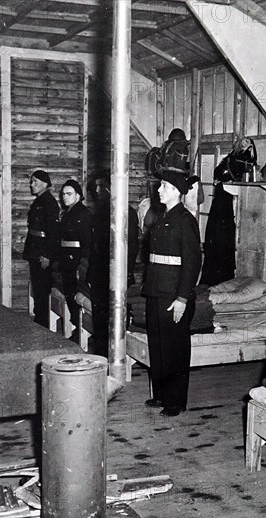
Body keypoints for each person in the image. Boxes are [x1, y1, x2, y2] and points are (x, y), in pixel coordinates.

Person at [142, 171, 202, 417]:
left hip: (173, 293)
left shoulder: (185, 220)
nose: (159, 190)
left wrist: (182, 299)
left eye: (164, 186)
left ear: (177, 191)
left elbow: (192, 262)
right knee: (157, 345)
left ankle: (175, 401)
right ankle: (161, 395)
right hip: (156, 289)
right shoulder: (161, 217)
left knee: (174, 348)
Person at [86, 177, 139, 356]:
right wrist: (91, 276)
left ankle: (116, 357)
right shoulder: (100, 213)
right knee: (100, 321)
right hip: (100, 276)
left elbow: (131, 246)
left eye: (102, 186)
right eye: (97, 186)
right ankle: (103, 358)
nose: (98, 190)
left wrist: (125, 273)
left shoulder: (126, 212)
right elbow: (95, 248)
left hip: (116, 275)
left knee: (115, 319)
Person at [23, 170, 59, 328]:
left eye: (35, 181)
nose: (32, 185)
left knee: (42, 288)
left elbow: (53, 232)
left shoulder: (49, 202)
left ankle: (42, 322)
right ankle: (39, 319)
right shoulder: (40, 201)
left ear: (45, 183)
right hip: (35, 249)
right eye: (31, 181)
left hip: (42, 252)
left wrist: (47, 255)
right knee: (37, 286)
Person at [58, 180, 93, 337]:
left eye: (69, 194)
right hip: (67, 260)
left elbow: (87, 243)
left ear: (78, 195)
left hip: (77, 260)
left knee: (75, 294)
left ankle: (79, 330)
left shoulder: (83, 214)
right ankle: (75, 327)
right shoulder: (68, 213)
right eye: (63, 194)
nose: (65, 197)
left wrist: (82, 265)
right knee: (69, 292)